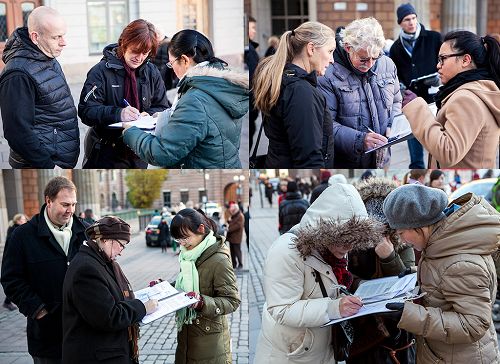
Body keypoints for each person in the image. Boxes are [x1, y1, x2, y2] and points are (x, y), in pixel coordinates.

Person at [255, 183, 385, 363]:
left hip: (322, 349)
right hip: (291, 354)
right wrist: (335, 308)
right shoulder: (286, 251)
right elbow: (281, 309)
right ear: (325, 232)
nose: (348, 247)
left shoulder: (333, 251)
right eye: (342, 239)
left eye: (353, 240)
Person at [383, 184, 500, 363]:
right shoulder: (443, 242)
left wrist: (411, 316)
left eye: (400, 232)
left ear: (419, 227)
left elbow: (473, 325)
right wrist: (417, 274)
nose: (401, 240)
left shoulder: (460, 264)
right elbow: (447, 278)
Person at [122, 29, 248, 168]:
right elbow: (206, 123)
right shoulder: (221, 85)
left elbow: (162, 153)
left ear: (184, 60)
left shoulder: (195, 99)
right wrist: (162, 117)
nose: (172, 70)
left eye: (171, 63)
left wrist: (131, 132)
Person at [1, 176, 88, 363]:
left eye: (73, 204)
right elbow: (11, 279)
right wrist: (38, 310)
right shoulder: (22, 236)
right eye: (65, 204)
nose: (70, 211)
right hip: (46, 339)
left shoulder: (87, 232)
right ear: (48, 201)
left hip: (85, 335)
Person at [62, 216, 158, 364]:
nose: (121, 252)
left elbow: (113, 298)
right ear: (105, 239)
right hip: (95, 356)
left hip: (107, 352)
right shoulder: (86, 269)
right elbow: (108, 316)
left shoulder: (100, 261)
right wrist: (142, 307)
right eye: (121, 245)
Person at [78, 19, 169, 168]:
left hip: (139, 150)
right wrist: (118, 113)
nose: (139, 58)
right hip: (106, 151)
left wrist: (150, 114)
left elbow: (162, 106)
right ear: (124, 43)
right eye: (135, 51)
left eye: (145, 53)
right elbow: (86, 111)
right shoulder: (100, 72)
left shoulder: (151, 71)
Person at [402, 30, 500, 168]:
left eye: (443, 58)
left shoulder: (467, 99)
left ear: (465, 60)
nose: (438, 66)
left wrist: (417, 108)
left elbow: (448, 153)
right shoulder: (478, 90)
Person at [0, 6, 79, 168]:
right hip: (42, 164)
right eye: (56, 37)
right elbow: (17, 133)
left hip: (58, 157)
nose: (64, 43)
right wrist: (48, 166)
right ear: (35, 37)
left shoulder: (47, 55)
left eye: (63, 35)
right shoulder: (18, 74)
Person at [318, 17, 402, 169]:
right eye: (363, 59)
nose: (370, 65)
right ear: (348, 47)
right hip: (347, 161)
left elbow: (396, 100)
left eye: (375, 58)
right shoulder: (327, 74)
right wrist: (359, 140)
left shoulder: (387, 64)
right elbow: (325, 124)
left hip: (382, 160)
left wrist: (392, 124)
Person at [348, 178, 416, 364]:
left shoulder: (402, 240)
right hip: (362, 326)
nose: (377, 231)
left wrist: (389, 257)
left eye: (383, 225)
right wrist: (360, 285)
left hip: (394, 329)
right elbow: (342, 275)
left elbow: (408, 283)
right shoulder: (354, 241)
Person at [253, 21, 335, 168]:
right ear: (311, 49)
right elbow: (309, 158)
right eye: (330, 51)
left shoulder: (282, 79)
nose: (332, 59)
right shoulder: (301, 92)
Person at [169, 208, 240, 363]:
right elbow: (186, 285)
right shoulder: (188, 256)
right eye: (178, 240)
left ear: (201, 229)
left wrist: (202, 302)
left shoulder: (219, 260)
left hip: (210, 342)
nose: (182, 244)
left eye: (185, 238)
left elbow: (232, 301)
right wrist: (165, 288)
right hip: (186, 336)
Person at [389, 3, 442, 169]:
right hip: (411, 99)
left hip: (435, 96)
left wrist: (439, 78)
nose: (411, 22)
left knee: (438, 135)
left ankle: (438, 164)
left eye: (413, 18)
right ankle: (417, 167)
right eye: (406, 19)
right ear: (400, 23)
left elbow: (445, 61)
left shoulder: (434, 38)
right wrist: (401, 87)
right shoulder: (396, 48)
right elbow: (394, 74)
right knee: (413, 136)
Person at [2, 213, 28, 311]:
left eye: (25, 219)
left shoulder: (18, 229)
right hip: (14, 259)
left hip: (18, 258)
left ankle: (7, 302)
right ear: (17, 221)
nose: (24, 221)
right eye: (22, 220)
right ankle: (7, 302)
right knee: (16, 281)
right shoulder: (15, 230)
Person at [245, 16, 260, 151]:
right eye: (252, 28)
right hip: (250, 105)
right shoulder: (249, 51)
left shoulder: (249, 49)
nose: (254, 31)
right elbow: (253, 79)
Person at [226, 203, 245, 269]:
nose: (231, 211)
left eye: (232, 210)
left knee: (237, 251)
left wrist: (229, 230)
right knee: (232, 252)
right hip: (232, 237)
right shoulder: (234, 215)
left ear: (235, 210)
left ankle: (240, 264)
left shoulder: (240, 216)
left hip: (236, 237)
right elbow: (232, 223)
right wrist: (229, 221)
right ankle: (234, 264)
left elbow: (238, 226)